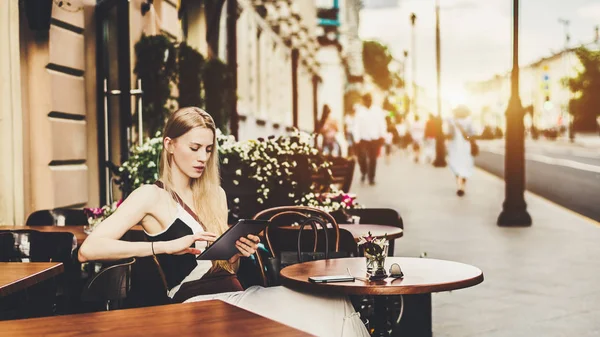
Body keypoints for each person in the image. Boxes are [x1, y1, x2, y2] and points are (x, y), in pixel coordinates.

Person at [78, 107, 369, 337]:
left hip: (235, 292)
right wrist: (166, 247)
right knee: (326, 311)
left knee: (335, 303)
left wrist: (236, 251)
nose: (202, 157)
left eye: (208, 149)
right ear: (169, 145)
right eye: (194, 148)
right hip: (195, 304)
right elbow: (88, 250)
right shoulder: (150, 196)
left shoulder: (215, 194)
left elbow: (228, 268)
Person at [352, 93, 387, 185]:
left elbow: (382, 123)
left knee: (373, 158)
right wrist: (356, 138)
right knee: (362, 157)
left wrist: (382, 134)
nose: (368, 102)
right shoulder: (360, 111)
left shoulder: (377, 110)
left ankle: (371, 177)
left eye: (370, 100)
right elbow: (356, 125)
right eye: (367, 100)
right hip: (363, 138)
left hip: (374, 138)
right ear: (364, 101)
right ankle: (364, 172)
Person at [447, 105, 475, 196]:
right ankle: (463, 186)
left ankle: (459, 185)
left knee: (457, 165)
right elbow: (473, 133)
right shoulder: (469, 121)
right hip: (466, 146)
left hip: (455, 146)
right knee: (465, 165)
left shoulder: (452, 121)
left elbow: (449, 134)